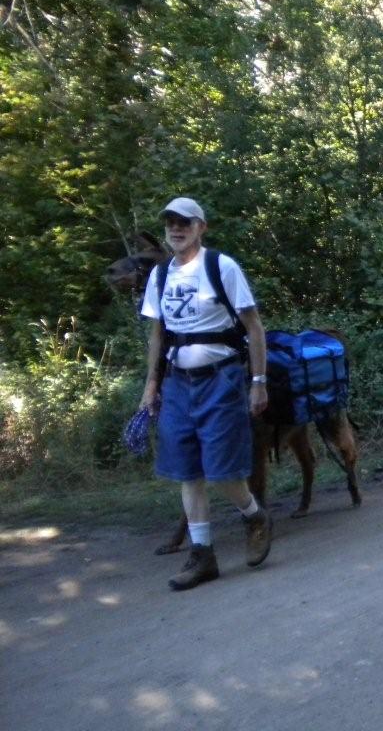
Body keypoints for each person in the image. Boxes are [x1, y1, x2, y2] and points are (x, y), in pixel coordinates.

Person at [138, 197, 272, 591]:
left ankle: (254, 515)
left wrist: (259, 381)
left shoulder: (221, 267)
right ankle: (203, 555)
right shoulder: (160, 275)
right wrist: (151, 384)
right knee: (187, 469)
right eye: (170, 223)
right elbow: (158, 334)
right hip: (178, 383)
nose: (176, 229)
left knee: (222, 470)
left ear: (201, 227)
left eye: (185, 222)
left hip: (222, 379)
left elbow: (254, 328)